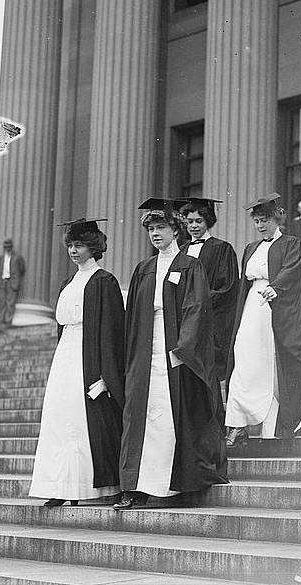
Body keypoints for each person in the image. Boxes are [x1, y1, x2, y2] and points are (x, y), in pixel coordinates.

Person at [116, 199, 227, 510]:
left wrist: (183, 350)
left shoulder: (191, 267)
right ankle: (134, 486)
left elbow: (196, 310)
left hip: (174, 349)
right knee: (139, 412)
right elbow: (132, 315)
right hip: (144, 348)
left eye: (161, 227)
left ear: (176, 230)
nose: (155, 233)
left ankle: (170, 486)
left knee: (166, 413)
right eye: (151, 229)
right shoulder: (144, 268)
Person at [29, 218, 125, 507]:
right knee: (61, 418)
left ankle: (91, 488)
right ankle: (61, 486)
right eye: (70, 245)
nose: (73, 250)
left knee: (85, 422)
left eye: (79, 245)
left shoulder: (104, 281)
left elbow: (112, 329)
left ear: (93, 247)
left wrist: (107, 373)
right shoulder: (68, 283)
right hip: (66, 356)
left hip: (91, 356)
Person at [225, 194, 301, 448]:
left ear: (277, 220)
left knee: (269, 362)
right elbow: (244, 281)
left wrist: (276, 286)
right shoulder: (251, 248)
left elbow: (292, 269)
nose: (261, 226)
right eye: (257, 221)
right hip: (252, 306)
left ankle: (273, 425)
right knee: (244, 357)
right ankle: (237, 423)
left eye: (265, 220)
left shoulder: (291, 243)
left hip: (276, 308)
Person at [177, 197, 240, 424]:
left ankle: (215, 427)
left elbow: (228, 287)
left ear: (208, 222)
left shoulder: (221, 249)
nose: (194, 226)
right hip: (183, 322)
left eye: (199, 221)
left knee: (208, 375)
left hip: (209, 322)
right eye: (190, 221)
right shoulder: (180, 250)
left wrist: (198, 304)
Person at [0, 238, 26, 327]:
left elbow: (22, 269)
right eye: (6, 247)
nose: (7, 249)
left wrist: (16, 280)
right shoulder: (1, 258)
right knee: (2, 302)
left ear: (12, 247)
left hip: (12, 282)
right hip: (3, 281)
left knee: (10, 303)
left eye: (9, 247)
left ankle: (8, 322)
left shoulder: (17, 257)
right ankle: (0, 322)